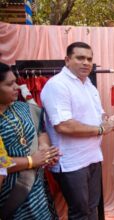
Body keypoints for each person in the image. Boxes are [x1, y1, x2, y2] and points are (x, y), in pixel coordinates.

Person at [41, 42, 114, 220]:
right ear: (67, 60)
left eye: (89, 59)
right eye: (80, 58)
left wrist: (108, 121)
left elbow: (98, 115)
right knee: (80, 212)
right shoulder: (57, 85)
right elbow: (63, 125)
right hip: (71, 162)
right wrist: (102, 128)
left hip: (93, 157)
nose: (86, 62)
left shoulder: (88, 85)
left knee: (93, 208)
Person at [0, 62, 60, 219]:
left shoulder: (24, 108)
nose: (17, 87)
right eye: (9, 84)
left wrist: (45, 149)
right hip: (11, 192)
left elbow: (41, 131)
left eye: (15, 81)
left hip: (38, 187)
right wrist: (31, 160)